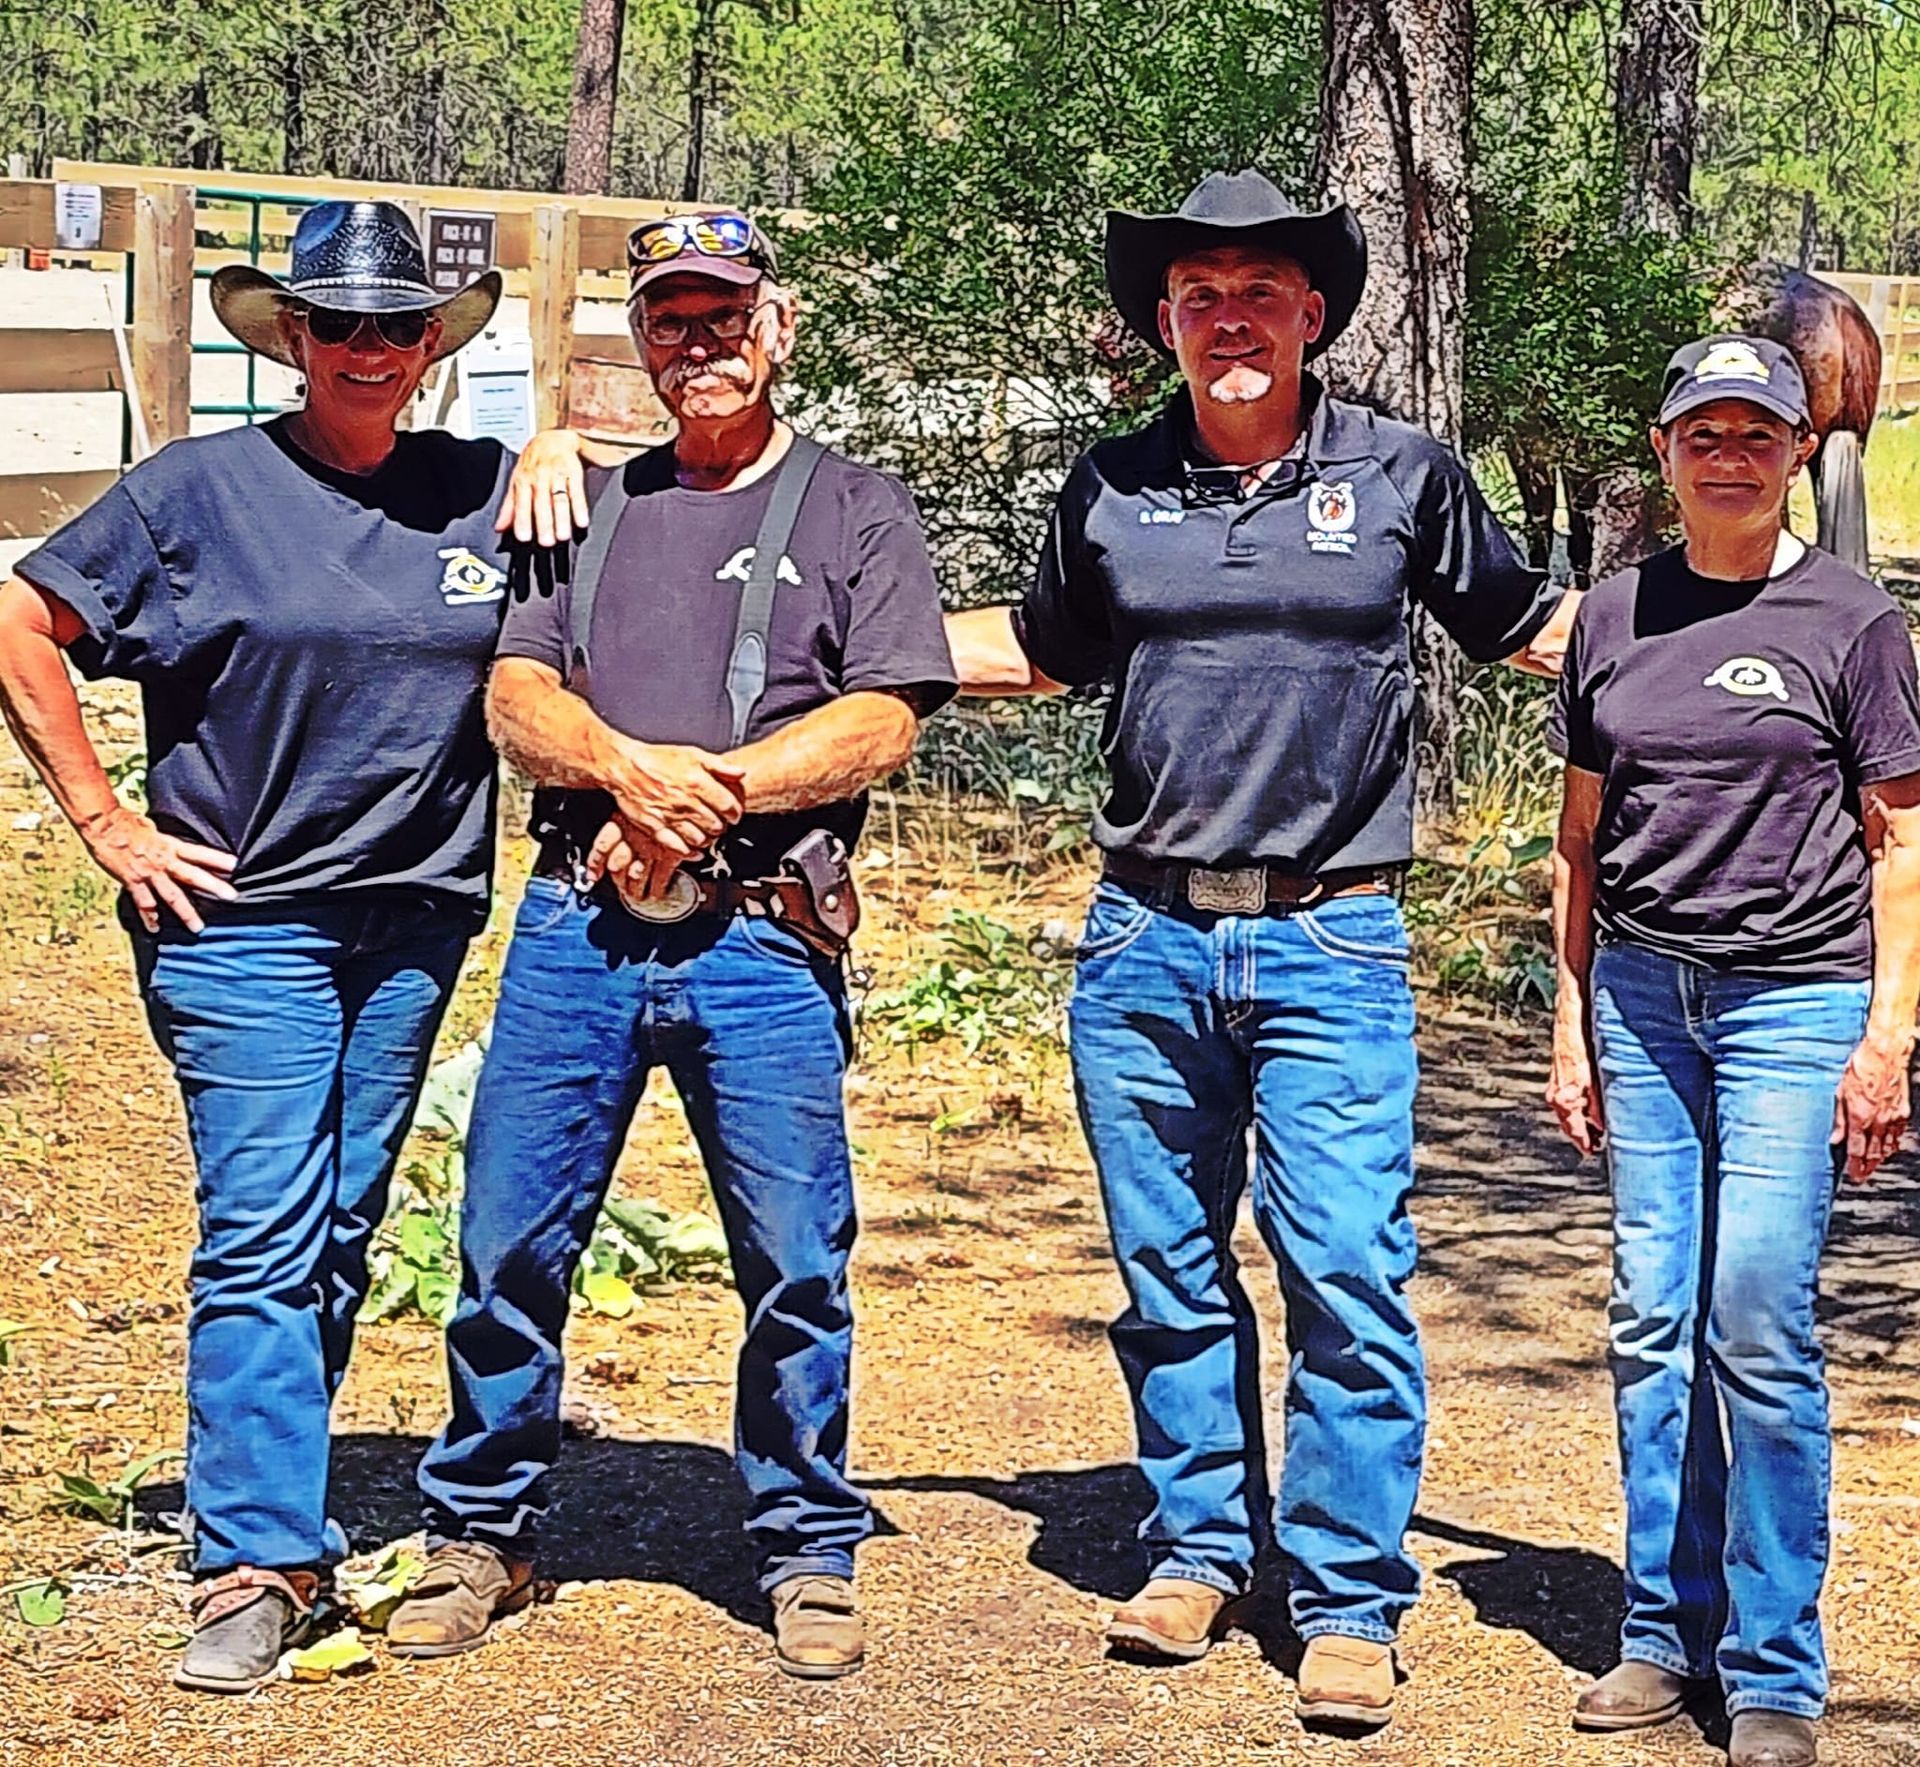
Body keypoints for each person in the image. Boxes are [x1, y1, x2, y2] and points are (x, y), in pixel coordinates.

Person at [945, 169, 1577, 1729]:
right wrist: (813, 642)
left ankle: (1349, 1595)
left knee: (1345, 1264)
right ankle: (1200, 1548)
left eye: (1259, 292)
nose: (1229, 316)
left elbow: (1533, 628)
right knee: (1168, 1267)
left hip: (1329, 939)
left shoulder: (1404, 474)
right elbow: (1037, 651)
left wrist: (1759, 632)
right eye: (1200, 294)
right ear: (1165, 321)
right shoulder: (1108, 486)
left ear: (1311, 315)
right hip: (1142, 939)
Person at [388, 208, 956, 1680]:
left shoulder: (858, 510)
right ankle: (483, 1528)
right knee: (509, 1237)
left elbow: (883, 718)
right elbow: (517, 702)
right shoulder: (586, 505)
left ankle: (806, 1539)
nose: (699, 343)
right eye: (670, 322)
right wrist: (624, 776)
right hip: (579, 927)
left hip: (765, 936)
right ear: (640, 344)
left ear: (779, 327)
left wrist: (704, 801)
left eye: (724, 316)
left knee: (795, 1256)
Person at [0, 202, 513, 1692]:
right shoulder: (199, 492)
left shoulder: (479, 489)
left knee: (343, 1223)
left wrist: (555, 450)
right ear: (291, 336)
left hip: (415, 915)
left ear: (431, 344)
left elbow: (640, 527)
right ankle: (254, 1559)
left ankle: (279, 1485)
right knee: (265, 1230)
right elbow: (22, 622)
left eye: (395, 326)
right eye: (336, 322)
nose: (367, 347)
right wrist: (107, 823)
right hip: (244, 924)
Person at [1547, 335, 1920, 1767]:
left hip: (1794, 1004)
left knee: (1754, 1319)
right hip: (1645, 1002)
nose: (1728, 457)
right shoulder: (1613, 615)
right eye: (1702, 433)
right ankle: (1662, 1633)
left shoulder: (1853, 622)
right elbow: (1581, 840)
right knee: (1653, 1321)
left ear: (1796, 454)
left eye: (1757, 434)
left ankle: (1772, 1665)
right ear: (1664, 453)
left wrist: (1887, 1041)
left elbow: (1902, 845)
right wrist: (1572, 1021)